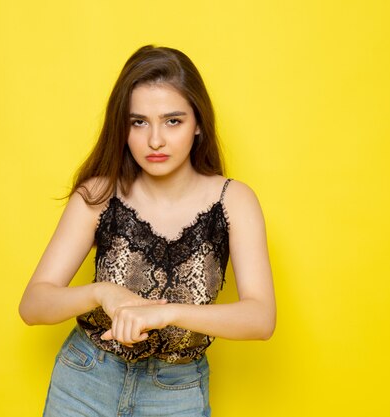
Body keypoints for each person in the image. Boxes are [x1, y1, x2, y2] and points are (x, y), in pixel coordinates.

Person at [19, 45, 276, 417]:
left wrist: (165, 313)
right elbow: (33, 305)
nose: (155, 140)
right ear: (122, 127)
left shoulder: (233, 200)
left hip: (176, 392)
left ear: (198, 123)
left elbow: (260, 318)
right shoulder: (98, 194)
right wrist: (101, 292)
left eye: (173, 121)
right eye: (139, 122)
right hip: (85, 379)